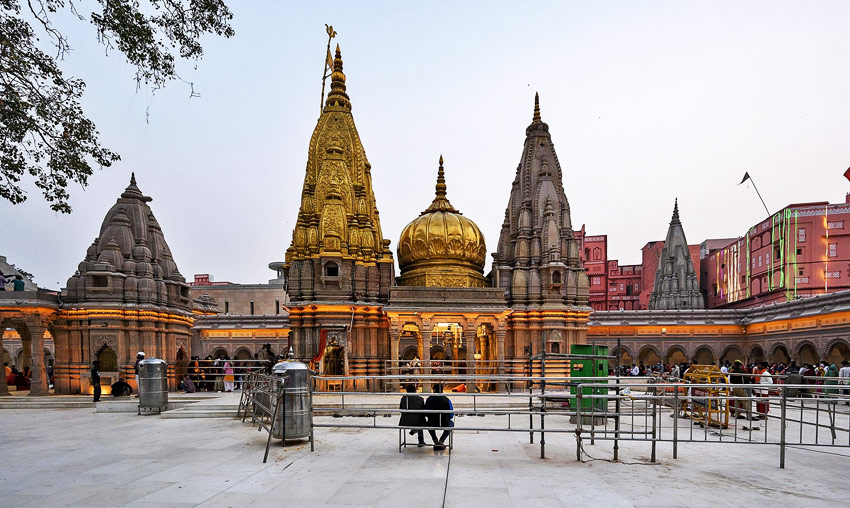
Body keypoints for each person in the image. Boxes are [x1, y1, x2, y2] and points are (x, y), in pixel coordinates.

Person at [424, 384, 453, 450]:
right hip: (444, 423)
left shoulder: (429, 399)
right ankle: (441, 441)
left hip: (432, 422)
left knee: (429, 424)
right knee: (451, 424)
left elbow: (425, 412)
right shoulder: (447, 400)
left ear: (434, 390)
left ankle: (435, 440)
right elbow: (451, 414)